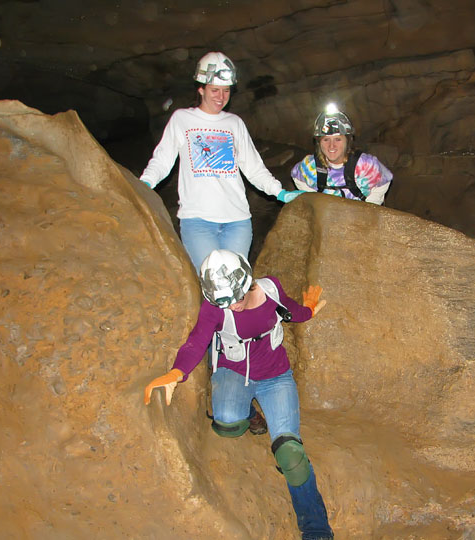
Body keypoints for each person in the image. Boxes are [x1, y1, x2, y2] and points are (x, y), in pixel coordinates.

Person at [144, 249, 334, 540]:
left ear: (248, 283)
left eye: (237, 299)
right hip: (234, 373)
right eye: (224, 302)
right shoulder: (214, 308)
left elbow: (291, 310)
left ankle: (316, 529)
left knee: (291, 455)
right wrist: (177, 372)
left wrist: (307, 310)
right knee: (228, 424)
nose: (232, 307)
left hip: (275, 376)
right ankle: (249, 413)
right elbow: (197, 341)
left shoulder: (270, 288)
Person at [139, 51, 304, 270]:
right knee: (213, 284)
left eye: (226, 91)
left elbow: (253, 168)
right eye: (214, 90)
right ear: (201, 89)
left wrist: (280, 192)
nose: (221, 96)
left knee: (236, 286)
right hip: (197, 221)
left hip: (237, 221)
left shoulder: (234, 123)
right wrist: (144, 184)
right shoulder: (182, 119)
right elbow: (162, 160)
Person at [291, 103, 393, 204]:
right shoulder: (310, 166)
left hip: (360, 215)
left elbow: (385, 179)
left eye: (337, 139)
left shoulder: (365, 165)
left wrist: (371, 205)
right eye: (326, 140)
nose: (331, 146)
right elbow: (297, 177)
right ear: (319, 143)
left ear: (347, 141)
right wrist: (315, 202)